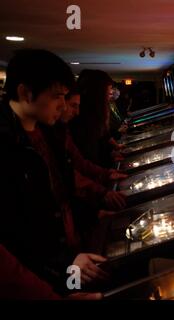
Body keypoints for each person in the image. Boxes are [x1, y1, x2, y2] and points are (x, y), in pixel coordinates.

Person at [0, 49, 108, 295]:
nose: (63, 104)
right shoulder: (6, 144)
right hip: (36, 278)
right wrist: (62, 264)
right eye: (57, 95)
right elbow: (15, 233)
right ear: (26, 93)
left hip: (69, 256)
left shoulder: (50, 132)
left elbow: (64, 192)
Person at [59, 87, 127, 211]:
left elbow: (79, 161)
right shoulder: (73, 126)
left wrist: (105, 173)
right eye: (108, 92)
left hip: (86, 197)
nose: (76, 112)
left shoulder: (63, 129)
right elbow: (70, 172)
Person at [70, 70, 124, 168]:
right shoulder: (82, 116)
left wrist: (111, 153)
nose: (110, 96)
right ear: (97, 94)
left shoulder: (94, 114)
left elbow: (103, 136)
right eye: (107, 93)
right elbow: (86, 155)